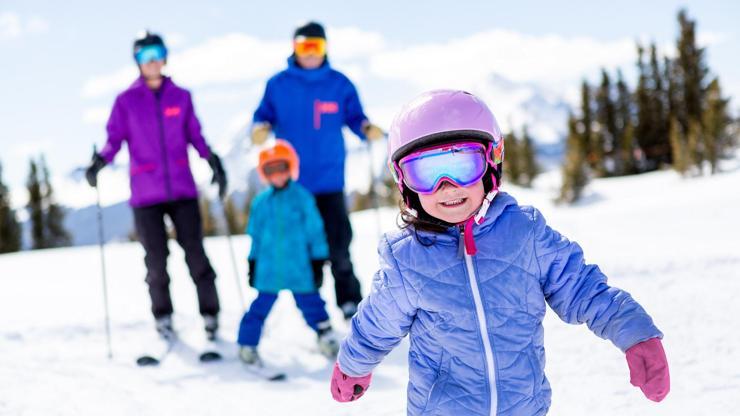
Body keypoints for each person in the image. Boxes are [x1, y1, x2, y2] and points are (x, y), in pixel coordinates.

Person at [330, 90, 670, 414]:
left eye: (462, 166)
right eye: (426, 172)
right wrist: (353, 365)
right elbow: (378, 322)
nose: (446, 187)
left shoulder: (525, 234)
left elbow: (582, 288)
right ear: (405, 182)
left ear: (491, 164)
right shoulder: (407, 258)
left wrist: (633, 331)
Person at [85, 31, 228, 341]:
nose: (151, 62)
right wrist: (101, 161)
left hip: (182, 190)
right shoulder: (126, 101)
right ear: (137, 62)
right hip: (146, 194)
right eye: (144, 56)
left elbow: (195, 135)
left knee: (196, 255)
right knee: (156, 262)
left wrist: (211, 159)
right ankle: (162, 317)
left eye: (156, 53)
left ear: (165, 57)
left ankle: (210, 314)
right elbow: (114, 140)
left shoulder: (181, 96)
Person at [250, 21, 385, 320]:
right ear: (294, 48)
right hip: (293, 184)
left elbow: (354, 116)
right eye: (304, 46)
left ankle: (349, 300)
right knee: (303, 248)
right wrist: (259, 128)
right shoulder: (279, 84)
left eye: (316, 46)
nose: (310, 54)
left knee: (339, 245)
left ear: (325, 48)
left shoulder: (339, 83)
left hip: (329, 179)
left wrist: (365, 128)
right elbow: (263, 116)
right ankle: (312, 307)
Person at [237, 140, 339, 365]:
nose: (277, 175)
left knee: (312, 304)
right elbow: (255, 236)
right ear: (264, 174)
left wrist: (318, 260)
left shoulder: (302, 198)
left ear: (290, 168)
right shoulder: (261, 203)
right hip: (268, 269)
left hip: (299, 267)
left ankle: (326, 337)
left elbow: (315, 231)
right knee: (259, 307)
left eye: (281, 168)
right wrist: (252, 262)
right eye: (270, 170)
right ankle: (247, 344)